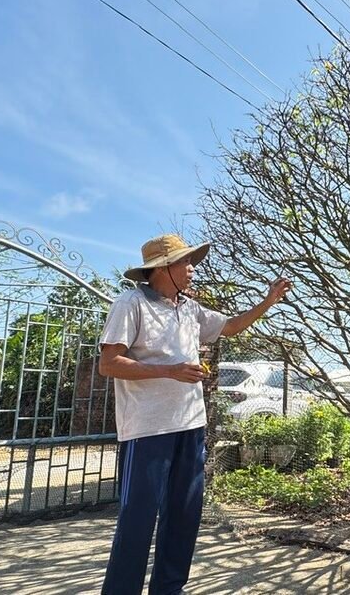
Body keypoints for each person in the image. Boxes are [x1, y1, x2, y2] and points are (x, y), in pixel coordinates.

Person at [98, 234, 291, 595]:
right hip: (146, 430)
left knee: (185, 516)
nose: (192, 269)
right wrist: (170, 370)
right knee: (137, 522)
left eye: (192, 262)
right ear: (162, 268)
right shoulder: (131, 303)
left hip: (191, 426)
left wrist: (269, 300)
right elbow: (109, 365)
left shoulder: (189, 309)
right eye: (185, 262)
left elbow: (231, 326)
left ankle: (169, 590)